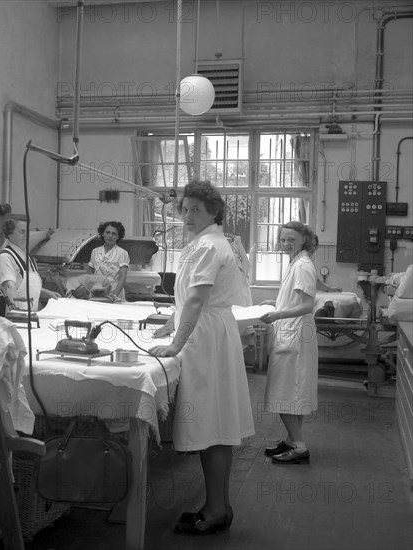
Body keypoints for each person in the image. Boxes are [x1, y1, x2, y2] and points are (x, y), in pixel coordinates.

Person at [149, 181, 254, 536]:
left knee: (212, 426)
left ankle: (214, 510)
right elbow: (188, 299)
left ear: (214, 212)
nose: (188, 215)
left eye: (197, 209)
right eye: (185, 209)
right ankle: (219, 507)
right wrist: (169, 323)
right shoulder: (206, 243)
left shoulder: (209, 246)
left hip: (204, 338)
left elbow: (196, 301)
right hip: (209, 333)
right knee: (217, 426)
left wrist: (177, 343)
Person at [259, 221, 318, 464]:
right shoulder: (296, 262)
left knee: (284, 395)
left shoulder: (303, 265)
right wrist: (275, 302)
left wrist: (276, 314)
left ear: (303, 239)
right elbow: (295, 298)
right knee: (294, 395)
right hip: (292, 334)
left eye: (291, 240)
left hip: (295, 337)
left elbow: (307, 304)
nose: (286, 244)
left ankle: (300, 447)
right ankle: (292, 440)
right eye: (283, 239)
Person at [0, 215, 60, 313]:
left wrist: (48, 293)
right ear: (9, 234)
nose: (26, 235)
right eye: (22, 231)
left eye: (27, 231)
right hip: (9, 315)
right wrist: (16, 314)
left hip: (27, 315)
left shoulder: (30, 259)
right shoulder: (6, 257)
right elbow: (10, 287)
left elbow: (27, 289)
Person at [86, 221, 130, 302]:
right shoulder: (95, 251)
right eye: (108, 232)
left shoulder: (122, 253)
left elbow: (123, 277)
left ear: (118, 236)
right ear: (102, 234)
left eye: (114, 234)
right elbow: (89, 273)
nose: (110, 236)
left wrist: (115, 295)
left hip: (114, 290)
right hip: (97, 290)